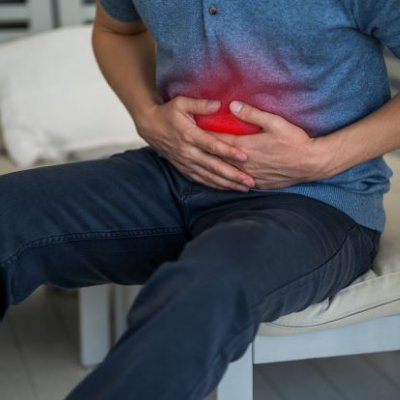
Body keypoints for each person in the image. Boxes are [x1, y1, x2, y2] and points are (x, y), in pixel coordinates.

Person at [1, 0, 399, 398]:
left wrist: (322, 157)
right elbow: (116, 31)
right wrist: (146, 114)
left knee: (207, 285)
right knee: (9, 207)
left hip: (318, 202)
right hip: (173, 175)